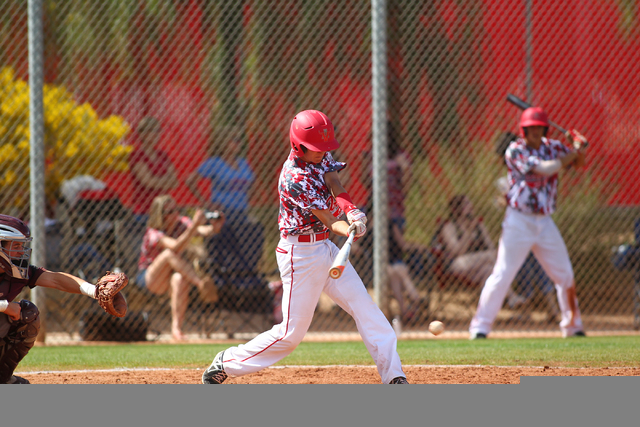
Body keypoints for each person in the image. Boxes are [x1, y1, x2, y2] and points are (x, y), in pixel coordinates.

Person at [201, 110, 408, 384]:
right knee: (290, 334)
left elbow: (333, 181)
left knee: (367, 310)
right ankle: (226, 362)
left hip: (325, 249)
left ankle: (394, 377)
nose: (322, 153)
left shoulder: (321, 155)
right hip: (300, 256)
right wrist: (350, 229)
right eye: (315, 149)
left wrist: (352, 210)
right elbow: (329, 220)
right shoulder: (293, 177)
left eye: (325, 148)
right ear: (298, 145)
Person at [469, 107, 588, 339]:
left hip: (545, 222)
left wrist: (579, 148)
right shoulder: (516, 149)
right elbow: (545, 169)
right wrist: (572, 153)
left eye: (538, 128)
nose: (534, 132)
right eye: (530, 128)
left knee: (564, 274)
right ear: (523, 130)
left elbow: (579, 163)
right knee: (503, 273)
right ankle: (480, 327)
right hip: (518, 221)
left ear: (544, 129)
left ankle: (573, 327)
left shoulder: (552, 147)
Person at [0, 214, 127, 384]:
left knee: (28, 314)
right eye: (15, 246)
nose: (21, 251)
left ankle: (2, 378)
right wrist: (5, 306)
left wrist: (95, 291)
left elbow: (56, 279)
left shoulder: (16, 273)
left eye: (22, 245)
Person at [137, 195, 224, 340]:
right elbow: (176, 246)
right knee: (168, 254)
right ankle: (201, 284)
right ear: (161, 215)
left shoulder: (181, 222)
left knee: (179, 279)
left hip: (172, 275)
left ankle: (176, 330)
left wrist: (214, 227)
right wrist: (194, 226)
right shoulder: (153, 232)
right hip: (150, 278)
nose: (175, 214)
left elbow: (203, 231)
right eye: (170, 212)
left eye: (176, 209)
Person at [493, 132, 560, 318]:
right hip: (529, 226)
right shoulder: (519, 170)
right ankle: (537, 309)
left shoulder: (527, 168)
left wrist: (505, 200)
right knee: (527, 267)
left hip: (524, 227)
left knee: (533, 266)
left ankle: (543, 309)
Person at [185, 128, 255, 227]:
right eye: (235, 139)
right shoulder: (215, 163)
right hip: (221, 213)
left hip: (241, 212)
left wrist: (246, 199)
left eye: (240, 140)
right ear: (224, 141)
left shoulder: (243, 163)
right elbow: (190, 180)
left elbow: (251, 183)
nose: (238, 143)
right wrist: (206, 203)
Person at [128, 117, 179, 226]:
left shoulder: (163, 155)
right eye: (153, 130)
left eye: (158, 130)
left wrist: (157, 181)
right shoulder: (137, 155)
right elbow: (148, 182)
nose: (157, 134)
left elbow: (175, 182)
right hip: (144, 211)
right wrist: (166, 181)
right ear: (142, 134)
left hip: (163, 211)